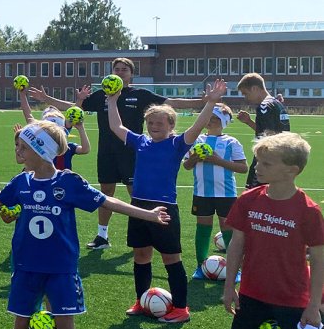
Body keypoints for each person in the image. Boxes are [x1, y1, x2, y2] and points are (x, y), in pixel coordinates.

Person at [0, 121, 171, 329]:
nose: (17, 150)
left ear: (41, 151)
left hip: (61, 270)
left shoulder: (68, 182)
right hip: (26, 268)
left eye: (23, 146)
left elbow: (109, 201)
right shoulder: (22, 181)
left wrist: (147, 214)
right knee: (20, 327)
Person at [220, 132, 324, 329]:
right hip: (252, 293)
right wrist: (229, 285)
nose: (258, 167)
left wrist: (313, 304)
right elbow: (237, 244)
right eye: (258, 161)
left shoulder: (308, 210)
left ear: (291, 170)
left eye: (266, 163)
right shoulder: (249, 200)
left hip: (292, 299)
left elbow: (319, 259)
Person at [30, 58, 203, 251]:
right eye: (116, 69)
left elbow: (172, 102)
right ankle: (102, 236)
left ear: (131, 74)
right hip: (107, 153)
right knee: (106, 192)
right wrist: (47, 100)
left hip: (134, 152)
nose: (120, 72)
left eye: (124, 70)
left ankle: (146, 234)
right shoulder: (101, 95)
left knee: (136, 193)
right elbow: (73, 107)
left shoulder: (140, 95)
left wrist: (202, 102)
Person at [109, 80, 227, 323]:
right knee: (141, 255)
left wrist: (211, 102)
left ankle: (181, 308)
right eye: (150, 123)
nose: (153, 126)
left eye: (159, 123)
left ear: (171, 125)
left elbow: (198, 125)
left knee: (171, 258)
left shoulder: (177, 144)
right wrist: (112, 100)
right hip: (138, 207)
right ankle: (142, 301)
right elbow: (116, 126)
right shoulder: (140, 141)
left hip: (164, 209)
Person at [183, 104, 247, 279]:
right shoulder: (197, 140)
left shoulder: (231, 142)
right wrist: (194, 158)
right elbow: (186, 166)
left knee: (228, 228)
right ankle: (200, 266)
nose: (210, 121)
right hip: (202, 193)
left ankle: (235, 269)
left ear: (224, 122)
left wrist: (218, 161)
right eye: (208, 117)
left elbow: (243, 168)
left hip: (226, 194)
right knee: (203, 227)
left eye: (215, 118)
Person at [237, 72, 291, 189]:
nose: (245, 98)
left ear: (255, 88)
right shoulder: (277, 104)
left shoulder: (264, 106)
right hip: (281, 158)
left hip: (266, 159)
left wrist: (262, 161)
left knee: (252, 195)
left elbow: (268, 137)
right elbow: (269, 131)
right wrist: (249, 121)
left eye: (245, 93)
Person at [18, 88, 90, 172]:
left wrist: (22, 94)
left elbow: (85, 149)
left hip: (58, 182)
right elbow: (73, 114)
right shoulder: (42, 146)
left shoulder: (67, 147)